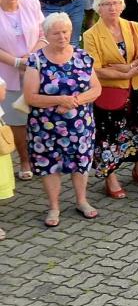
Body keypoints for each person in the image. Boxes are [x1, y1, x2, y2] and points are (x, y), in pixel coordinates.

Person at [23, 12, 102, 227]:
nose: (62, 36)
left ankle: (82, 201)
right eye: (56, 33)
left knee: (80, 161)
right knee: (49, 164)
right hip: (45, 126)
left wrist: (72, 102)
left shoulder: (82, 56)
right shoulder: (36, 60)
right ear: (46, 34)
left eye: (65, 32)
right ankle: (54, 207)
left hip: (80, 124)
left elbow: (96, 89)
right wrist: (60, 100)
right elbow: (31, 97)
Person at [83, 0, 138, 198]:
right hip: (110, 92)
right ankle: (111, 178)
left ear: (122, 5)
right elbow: (95, 69)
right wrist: (124, 73)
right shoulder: (91, 35)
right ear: (98, 8)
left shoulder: (134, 26)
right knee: (109, 136)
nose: (112, 7)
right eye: (107, 4)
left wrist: (125, 68)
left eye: (116, 3)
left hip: (136, 87)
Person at [0, 0, 44, 180]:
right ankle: (24, 160)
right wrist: (17, 62)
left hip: (36, 70)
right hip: (7, 74)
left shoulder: (31, 4)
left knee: (41, 116)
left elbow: (44, 34)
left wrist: (31, 57)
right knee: (17, 120)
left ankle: (43, 156)